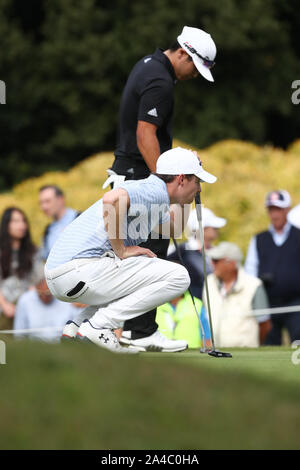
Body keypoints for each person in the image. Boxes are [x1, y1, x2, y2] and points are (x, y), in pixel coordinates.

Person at [45, 147, 217, 353]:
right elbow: (112, 199)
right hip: (78, 270)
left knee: (139, 274)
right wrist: (122, 250)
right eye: (197, 181)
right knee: (179, 276)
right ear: (181, 179)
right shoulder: (153, 191)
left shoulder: (156, 197)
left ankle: (77, 327)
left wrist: (191, 172)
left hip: (64, 275)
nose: (199, 189)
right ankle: (99, 326)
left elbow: (175, 227)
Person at [109, 25, 217, 347]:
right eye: (194, 68)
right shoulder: (160, 81)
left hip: (129, 175)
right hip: (140, 177)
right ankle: (138, 332)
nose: (194, 75)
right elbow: (146, 136)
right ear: (183, 53)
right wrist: (165, 186)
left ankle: (134, 330)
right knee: (151, 255)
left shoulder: (147, 65)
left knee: (143, 255)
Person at [244, 190, 300, 345]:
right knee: (268, 346)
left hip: (296, 305)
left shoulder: (298, 235)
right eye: (271, 210)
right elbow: (250, 272)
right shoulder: (259, 239)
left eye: (278, 210)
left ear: (287, 210)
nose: (274, 215)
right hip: (268, 304)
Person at [203, 242, 271, 348]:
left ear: (232, 263)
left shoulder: (254, 285)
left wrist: (253, 347)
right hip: (215, 355)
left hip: (246, 356)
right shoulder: (209, 282)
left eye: (216, 260)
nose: (212, 263)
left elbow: (265, 325)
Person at [0, 207, 45, 331]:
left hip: (28, 307)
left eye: (23, 221)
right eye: (16, 221)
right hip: (4, 307)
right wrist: (4, 305)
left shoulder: (34, 251)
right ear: (6, 225)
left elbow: (39, 280)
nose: (21, 225)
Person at [167, 207, 226, 298]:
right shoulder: (182, 251)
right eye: (214, 227)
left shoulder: (218, 252)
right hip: (193, 308)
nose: (217, 229)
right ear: (202, 228)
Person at [14, 277, 83, 342]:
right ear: (36, 288)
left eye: (47, 293)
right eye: (40, 293)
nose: (44, 297)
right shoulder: (25, 300)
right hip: (34, 348)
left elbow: (79, 327)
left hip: (62, 347)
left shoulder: (67, 298)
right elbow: (19, 334)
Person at [39, 185, 80, 261]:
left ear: (61, 199)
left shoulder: (80, 219)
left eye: (47, 201)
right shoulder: (48, 231)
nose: (43, 207)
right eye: (41, 203)